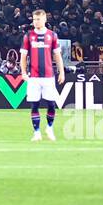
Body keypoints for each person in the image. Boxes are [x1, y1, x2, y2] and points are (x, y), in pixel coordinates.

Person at [21, 9, 64, 142]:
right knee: (34, 104)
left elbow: (57, 55)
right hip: (33, 77)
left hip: (48, 76)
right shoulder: (28, 35)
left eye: (38, 19)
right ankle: (37, 132)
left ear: (45, 19)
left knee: (51, 104)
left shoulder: (52, 35)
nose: (36, 22)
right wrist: (23, 72)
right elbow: (23, 56)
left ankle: (49, 128)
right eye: (34, 19)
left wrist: (61, 71)